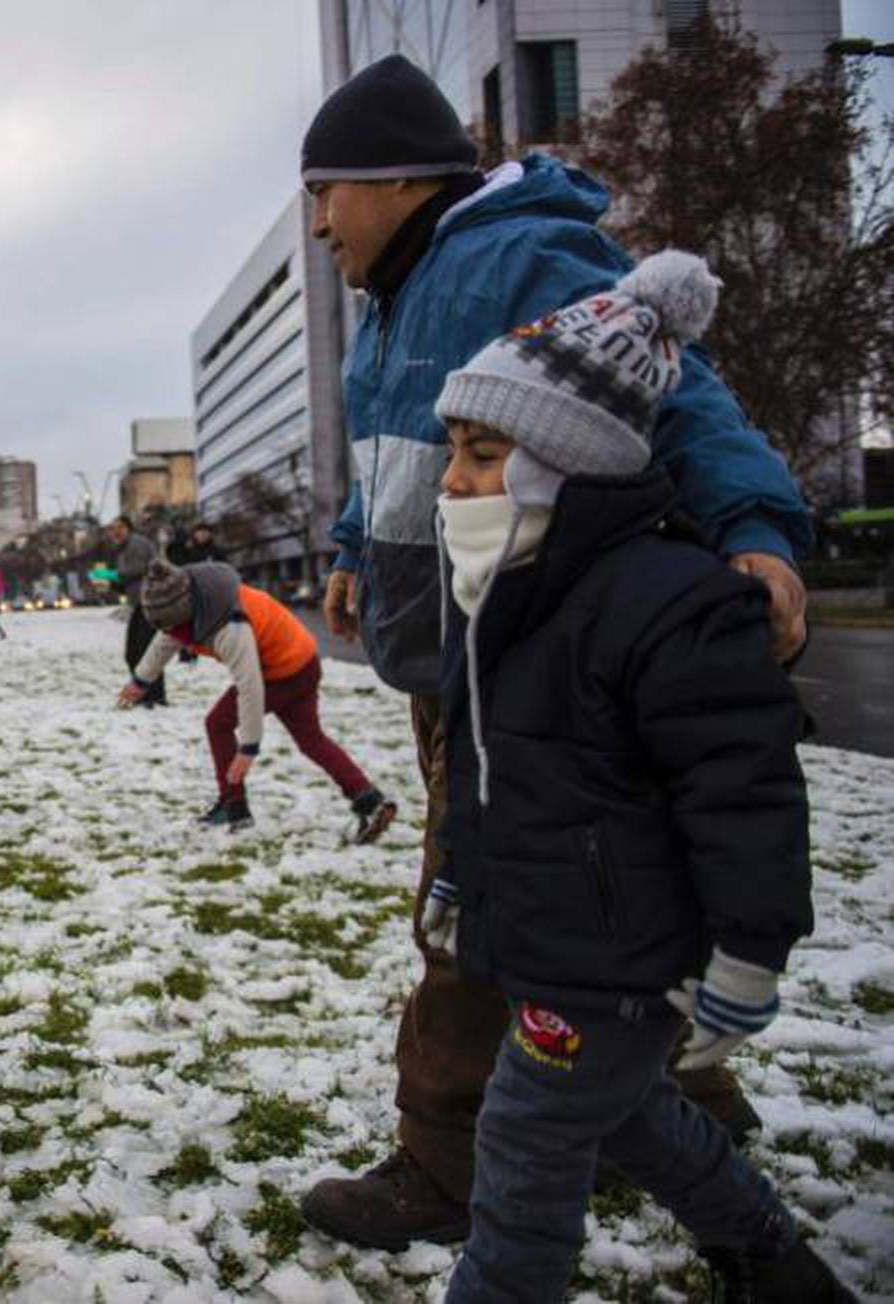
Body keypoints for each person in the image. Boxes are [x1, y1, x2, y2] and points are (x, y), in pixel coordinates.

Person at [294, 55, 813, 1249]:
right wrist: (351, 545)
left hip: (529, 664)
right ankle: (684, 1104)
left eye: (326, 190)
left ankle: (445, 1161)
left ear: (397, 179)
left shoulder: (512, 258)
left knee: (476, 912)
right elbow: (394, 454)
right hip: (463, 659)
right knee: (581, 890)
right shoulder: (398, 292)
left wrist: (754, 530)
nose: (318, 222)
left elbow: (678, 393)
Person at [424, 252, 846, 1301]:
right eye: (453, 451)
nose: (452, 479)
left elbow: (744, 796)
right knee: (626, 1113)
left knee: (524, 1150)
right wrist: (457, 883)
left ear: (568, 461)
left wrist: (748, 954)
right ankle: (768, 1256)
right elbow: (488, 775)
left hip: (621, 958)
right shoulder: (509, 593)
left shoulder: (672, 601)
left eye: (483, 452)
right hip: (556, 935)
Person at [119, 560, 395, 842]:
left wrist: (248, 749)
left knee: (218, 723)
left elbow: (250, 687)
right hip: (303, 660)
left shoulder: (230, 626)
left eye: (172, 627)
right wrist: (142, 679)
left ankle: (233, 805)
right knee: (312, 740)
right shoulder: (194, 601)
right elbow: (167, 639)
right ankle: (368, 798)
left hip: (283, 671)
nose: (170, 634)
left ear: (184, 613)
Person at [105, 516, 167, 706]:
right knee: (134, 653)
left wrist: (110, 574)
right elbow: (129, 581)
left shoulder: (136, 544)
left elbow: (136, 570)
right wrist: (113, 583)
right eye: (112, 528)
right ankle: (145, 692)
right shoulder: (122, 550)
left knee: (145, 652)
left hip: (150, 603)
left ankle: (154, 695)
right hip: (139, 603)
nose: (116, 531)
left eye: (120, 527)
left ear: (129, 529)